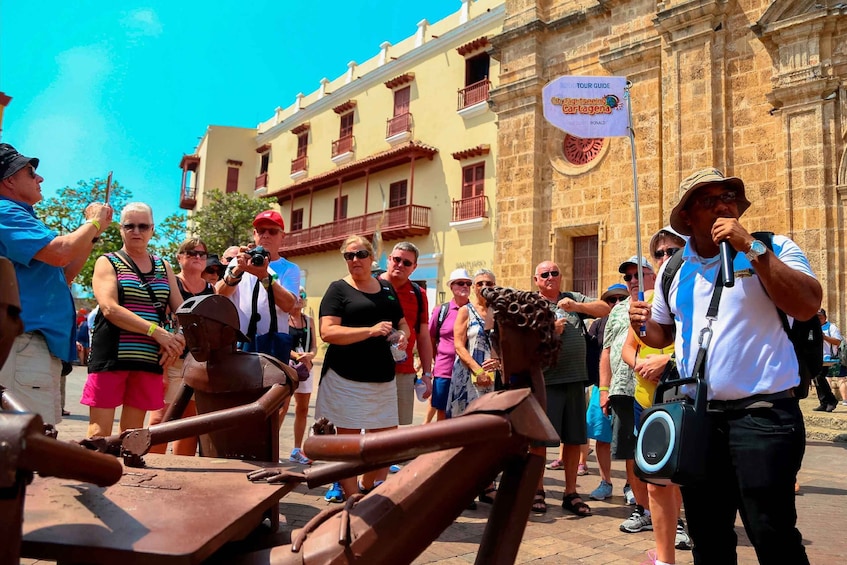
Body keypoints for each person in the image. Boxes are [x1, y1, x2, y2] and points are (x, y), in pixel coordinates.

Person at [629, 168, 819, 565]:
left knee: (771, 532)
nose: (722, 205)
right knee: (708, 536)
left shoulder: (774, 247)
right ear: (687, 218)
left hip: (764, 415)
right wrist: (640, 326)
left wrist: (751, 248)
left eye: (728, 197)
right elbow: (663, 334)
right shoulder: (673, 268)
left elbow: (806, 305)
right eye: (708, 200)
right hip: (700, 420)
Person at [0, 143, 112, 425]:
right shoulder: (5, 211)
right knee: (28, 441)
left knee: (35, 436)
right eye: (30, 172)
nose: (40, 178)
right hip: (23, 345)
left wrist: (91, 234)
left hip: (31, 346)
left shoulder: (20, 216)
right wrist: (93, 223)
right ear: (8, 180)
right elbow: (60, 252)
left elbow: (65, 272)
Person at [317, 235, 409, 503]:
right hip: (346, 379)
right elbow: (327, 331)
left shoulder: (387, 289)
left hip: (382, 379)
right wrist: (369, 331)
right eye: (349, 256)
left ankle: (374, 491)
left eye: (360, 255)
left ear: (372, 258)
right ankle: (353, 497)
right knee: (349, 443)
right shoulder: (338, 289)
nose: (354, 260)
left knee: (385, 442)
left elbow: (402, 322)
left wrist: (403, 334)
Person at [82, 202, 186, 438]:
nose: (136, 231)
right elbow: (109, 308)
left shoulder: (163, 266)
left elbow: (182, 311)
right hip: (111, 356)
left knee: (133, 436)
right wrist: (156, 332)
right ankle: (96, 473)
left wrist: (179, 337)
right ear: (121, 229)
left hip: (148, 359)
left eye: (143, 226)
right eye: (130, 226)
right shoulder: (107, 262)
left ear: (152, 229)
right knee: (99, 434)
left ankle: (127, 476)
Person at [620, 228, 692, 562]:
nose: (666, 258)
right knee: (654, 476)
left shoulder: (697, 288)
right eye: (659, 254)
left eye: (672, 251)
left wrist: (669, 360)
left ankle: (680, 527)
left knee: (680, 473)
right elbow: (629, 348)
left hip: (684, 399)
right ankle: (664, 553)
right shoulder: (647, 302)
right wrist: (640, 365)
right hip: (647, 401)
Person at [533, 261, 610, 515]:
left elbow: (603, 308)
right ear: (536, 280)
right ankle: (537, 490)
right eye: (545, 274)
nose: (550, 277)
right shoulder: (532, 303)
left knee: (574, 439)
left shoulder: (572, 298)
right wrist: (549, 330)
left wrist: (576, 306)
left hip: (576, 381)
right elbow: (522, 338)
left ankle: (570, 492)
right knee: (540, 442)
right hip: (547, 382)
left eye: (555, 272)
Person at [147, 238, 215, 456]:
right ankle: (151, 468)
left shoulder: (211, 289)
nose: (197, 257)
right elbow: (163, 322)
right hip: (171, 359)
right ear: (179, 257)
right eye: (191, 253)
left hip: (197, 363)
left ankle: (182, 471)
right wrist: (163, 371)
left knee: (189, 423)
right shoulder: (170, 284)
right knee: (161, 418)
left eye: (201, 254)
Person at [446, 268, 500, 509]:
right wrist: (478, 370)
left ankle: (487, 486)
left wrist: (497, 363)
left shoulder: (498, 312)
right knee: (465, 433)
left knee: (488, 433)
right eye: (480, 283)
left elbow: (502, 343)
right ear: (474, 287)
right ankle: (463, 487)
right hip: (467, 377)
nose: (484, 286)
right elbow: (459, 345)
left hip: (492, 378)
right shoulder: (465, 311)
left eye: (489, 282)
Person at [216, 210, 298, 363]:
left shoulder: (290, 269)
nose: (266, 235)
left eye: (272, 231)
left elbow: (288, 305)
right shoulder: (238, 261)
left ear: (282, 236)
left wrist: (264, 276)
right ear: (254, 234)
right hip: (237, 344)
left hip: (272, 346)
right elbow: (219, 295)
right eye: (261, 231)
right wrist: (238, 269)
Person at [379, 242, 433, 425]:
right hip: (370, 369)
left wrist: (427, 373)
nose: (400, 265)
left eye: (407, 263)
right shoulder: (371, 285)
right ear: (388, 260)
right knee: (366, 424)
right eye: (396, 259)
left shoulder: (418, 293)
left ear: (414, 268)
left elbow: (424, 336)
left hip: (403, 370)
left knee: (393, 427)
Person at [585, 283, 629, 503]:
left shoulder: (633, 319)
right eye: (612, 300)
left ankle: (631, 485)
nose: (617, 303)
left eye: (622, 298)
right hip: (601, 386)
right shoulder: (598, 324)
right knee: (602, 437)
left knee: (630, 438)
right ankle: (605, 482)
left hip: (628, 386)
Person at [428, 268, 472, 422]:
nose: (465, 286)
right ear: (451, 287)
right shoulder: (442, 311)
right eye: (460, 283)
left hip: (468, 371)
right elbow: (430, 338)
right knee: (442, 412)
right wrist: (436, 359)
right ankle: (443, 445)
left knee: (466, 414)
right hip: (444, 371)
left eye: (468, 283)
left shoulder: (474, 311)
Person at [279, 287, 317, 465]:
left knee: (303, 409)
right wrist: (296, 356)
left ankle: (296, 449)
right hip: (288, 367)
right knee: (282, 408)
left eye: (302, 295)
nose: (299, 298)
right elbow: (282, 343)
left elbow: (314, 346)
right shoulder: (283, 319)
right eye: (296, 295)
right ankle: (271, 446)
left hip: (305, 368)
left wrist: (310, 356)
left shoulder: (308, 320)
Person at [813, 308, 841, 412]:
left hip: (828, 358)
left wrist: (824, 337)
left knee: (820, 376)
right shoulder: (813, 328)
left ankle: (831, 400)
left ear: (825, 317)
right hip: (816, 357)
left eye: (820, 317)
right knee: (816, 378)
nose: (818, 319)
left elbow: (837, 341)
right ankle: (823, 402)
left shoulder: (831, 327)